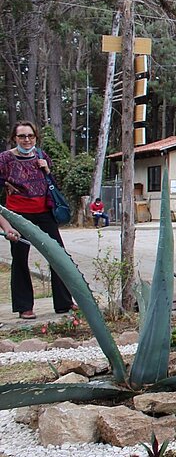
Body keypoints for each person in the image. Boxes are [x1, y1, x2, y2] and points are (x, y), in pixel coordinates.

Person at [0, 121, 75, 319]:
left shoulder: (42, 156)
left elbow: (53, 185)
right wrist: (7, 226)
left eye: (30, 136)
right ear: (14, 138)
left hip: (45, 213)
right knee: (20, 258)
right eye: (22, 136)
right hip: (18, 214)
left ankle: (64, 302)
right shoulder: (4, 159)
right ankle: (24, 306)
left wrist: (47, 169)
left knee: (58, 255)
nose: (27, 140)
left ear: (35, 137)